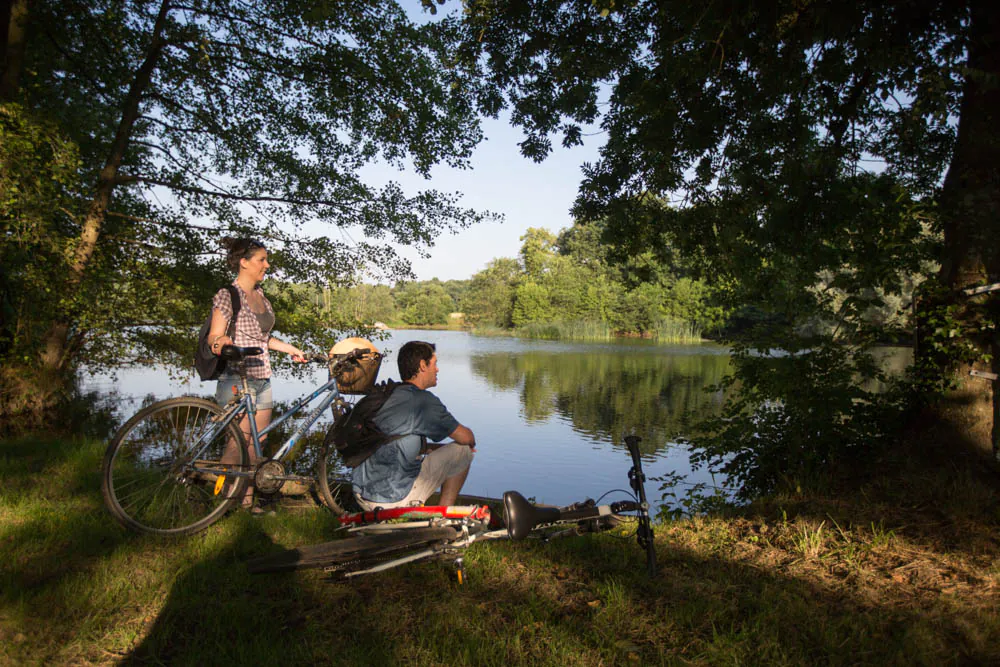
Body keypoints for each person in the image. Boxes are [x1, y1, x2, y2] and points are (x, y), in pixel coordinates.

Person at [207, 236, 306, 512]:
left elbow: (264, 339)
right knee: (238, 444)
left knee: (257, 443)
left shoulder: (260, 296)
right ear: (244, 262)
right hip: (238, 378)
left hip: (263, 378)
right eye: (261, 259)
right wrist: (222, 345)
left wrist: (289, 349)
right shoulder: (229, 295)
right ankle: (225, 501)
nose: (267, 264)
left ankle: (247, 502)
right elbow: (215, 336)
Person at [352, 340, 476, 510]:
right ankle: (443, 516)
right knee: (464, 451)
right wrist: (467, 443)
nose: (437, 369)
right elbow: (467, 437)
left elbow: (393, 442)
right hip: (391, 500)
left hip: (361, 495)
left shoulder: (386, 394)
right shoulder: (423, 402)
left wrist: (433, 448)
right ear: (422, 366)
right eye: (434, 363)